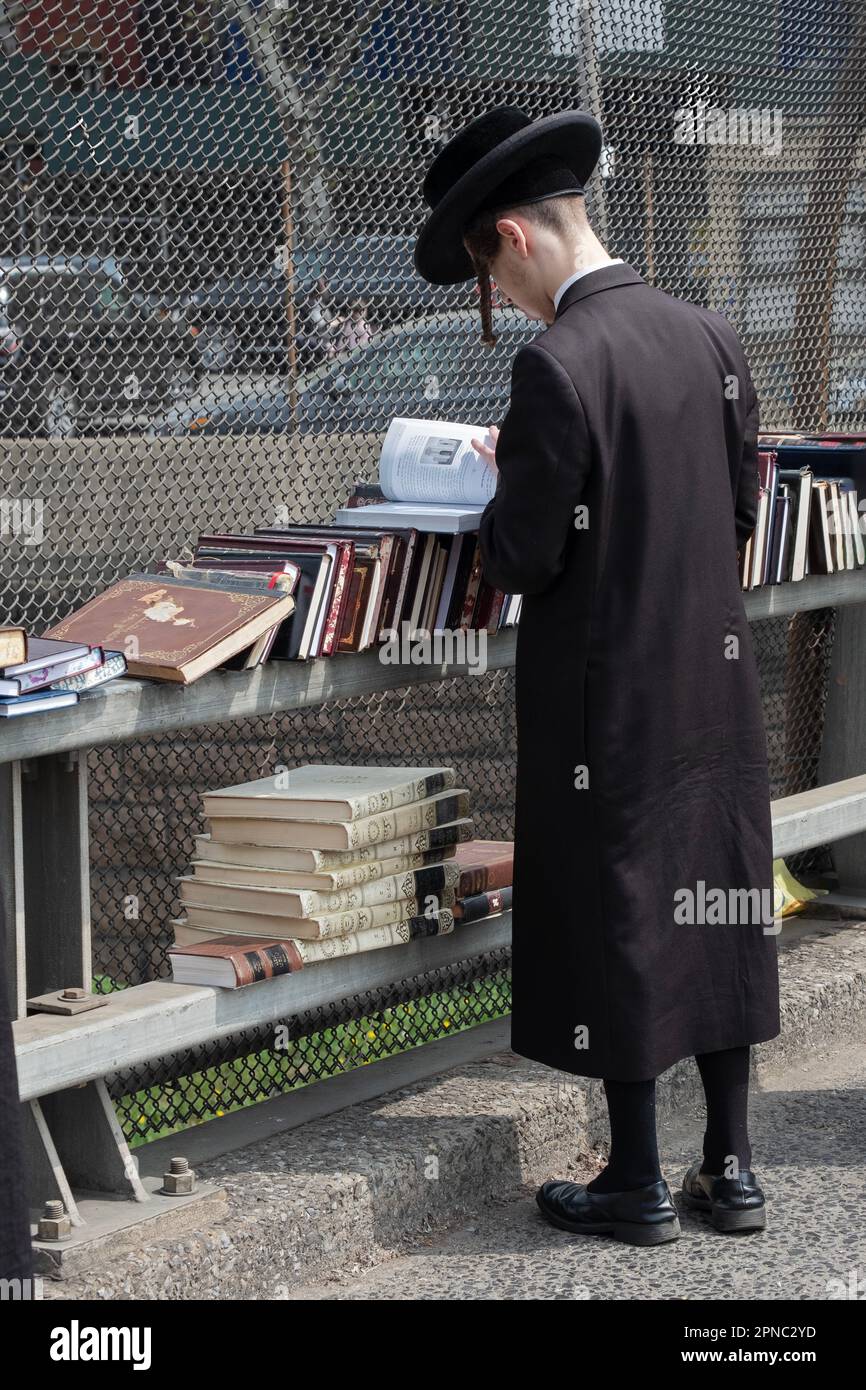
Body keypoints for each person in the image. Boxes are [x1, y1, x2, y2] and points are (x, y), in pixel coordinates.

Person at [413, 106, 780, 1247]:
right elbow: (736, 507)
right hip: (712, 688)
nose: (504, 308)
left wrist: (494, 487)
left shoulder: (556, 365)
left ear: (512, 237)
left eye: (488, 282)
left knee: (618, 908)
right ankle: (730, 1170)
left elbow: (525, 554)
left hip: (602, 704)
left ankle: (633, 1177)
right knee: (715, 901)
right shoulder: (709, 336)